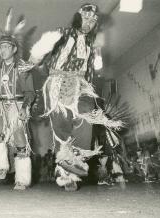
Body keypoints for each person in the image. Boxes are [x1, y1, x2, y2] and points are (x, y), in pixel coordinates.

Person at [29, 4, 123, 191]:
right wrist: (37, 54)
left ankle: (76, 163)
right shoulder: (62, 32)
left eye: (93, 20)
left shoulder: (91, 43)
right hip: (57, 82)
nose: (89, 23)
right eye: (86, 18)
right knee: (61, 123)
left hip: (81, 86)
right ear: (78, 17)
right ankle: (65, 172)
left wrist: (96, 65)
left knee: (86, 115)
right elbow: (40, 55)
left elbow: (91, 70)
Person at [0, 8, 35, 190]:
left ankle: (22, 178)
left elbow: (30, 93)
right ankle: (0, 167)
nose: (2, 50)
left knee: (20, 140)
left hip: (17, 104)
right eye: (1, 47)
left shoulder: (22, 68)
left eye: (6, 47)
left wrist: (24, 108)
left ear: (14, 49)